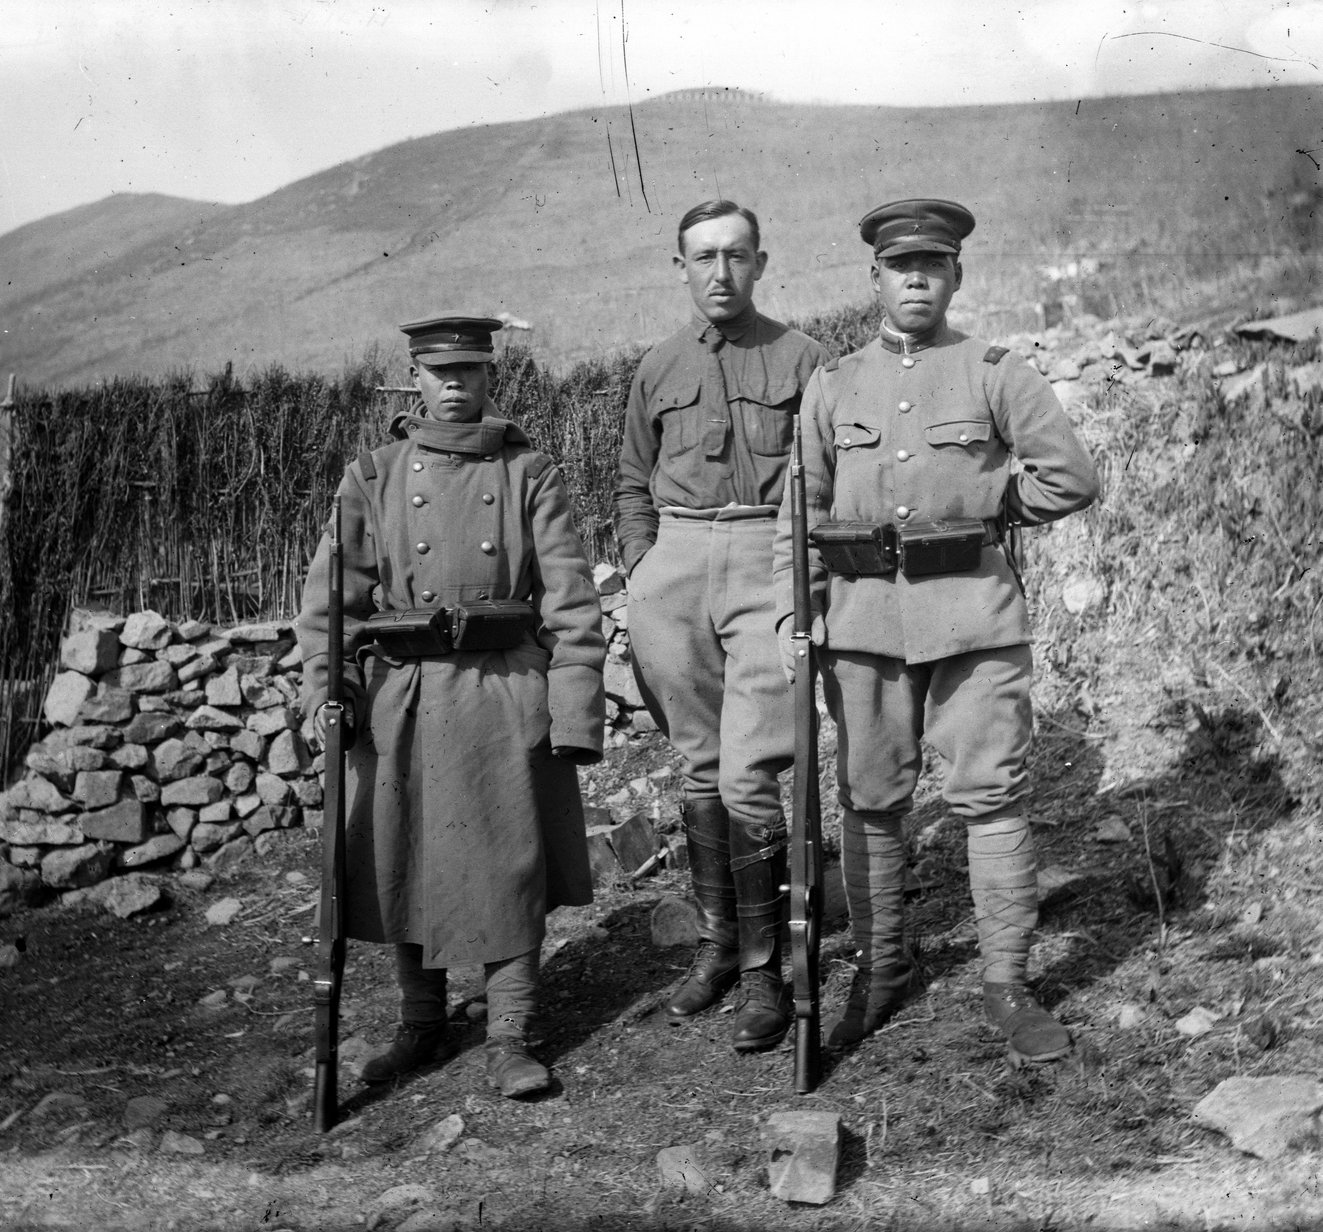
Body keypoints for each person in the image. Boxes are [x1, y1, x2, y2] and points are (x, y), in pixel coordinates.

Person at [773, 198, 1101, 1066]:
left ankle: (1007, 984)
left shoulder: (997, 371)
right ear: (874, 278)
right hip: (865, 627)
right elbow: (801, 512)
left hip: (974, 622)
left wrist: (992, 511)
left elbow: (1070, 478)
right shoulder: (834, 384)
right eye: (899, 268)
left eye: (933, 266)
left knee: (991, 797)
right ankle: (878, 973)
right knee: (871, 799)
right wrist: (794, 611)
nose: (916, 279)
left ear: (956, 276)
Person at [295, 315, 606, 1098]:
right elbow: (330, 600)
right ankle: (421, 1022)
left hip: (501, 689)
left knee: (510, 861)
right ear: (417, 377)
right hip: (402, 693)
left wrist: (569, 712)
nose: (456, 384)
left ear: (489, 376)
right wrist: (326, 684)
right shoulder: (374, 474)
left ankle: (510, 1035)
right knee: (403, 860)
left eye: (470, 370)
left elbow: (571, 603)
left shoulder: (530, 471)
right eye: (440, 372)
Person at [614, 201, 831, 1052]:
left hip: (763, 557)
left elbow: (825, 477)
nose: (718, 272)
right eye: (702, 257)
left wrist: (799, 581)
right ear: (680, 267)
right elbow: (632, 476)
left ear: (760, 261)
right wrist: (641, 568)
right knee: (698, 766)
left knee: (750, 772)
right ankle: (715, 950)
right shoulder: (656, 366)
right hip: (673, 564)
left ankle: (764, 972)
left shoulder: (806, 357)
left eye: (735, 255)